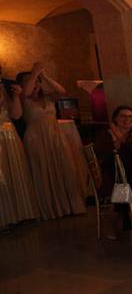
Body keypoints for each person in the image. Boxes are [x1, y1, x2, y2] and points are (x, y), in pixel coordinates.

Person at [17, 63, 86, 219]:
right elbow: (26, 92)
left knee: (65, 167)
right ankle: (50, 209)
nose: (34, 83)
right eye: (30, 81)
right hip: (36, 137)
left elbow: (62, 91)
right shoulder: (23, 99)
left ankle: (69, 206)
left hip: (55, 135)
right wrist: (34, 73)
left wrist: (44, 76)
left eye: (36, 81)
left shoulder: (48, 98)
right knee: (42, 170)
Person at [93, 105, 132, 238]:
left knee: (126, 183)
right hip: (111, 174)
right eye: (123, 116)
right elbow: (106, 156)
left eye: (130, 117)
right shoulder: (107, 134)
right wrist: (120, 140)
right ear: (115, 118)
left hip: (130, 175)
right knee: (123, 184)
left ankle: (121, 221)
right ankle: (120, 221)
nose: (127, 119)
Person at [0, 78, 39, 229]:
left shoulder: (4, 87)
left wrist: (15, 97)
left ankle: (19, 215)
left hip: (9, 135)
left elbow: (16, 115)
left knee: (14, 175)